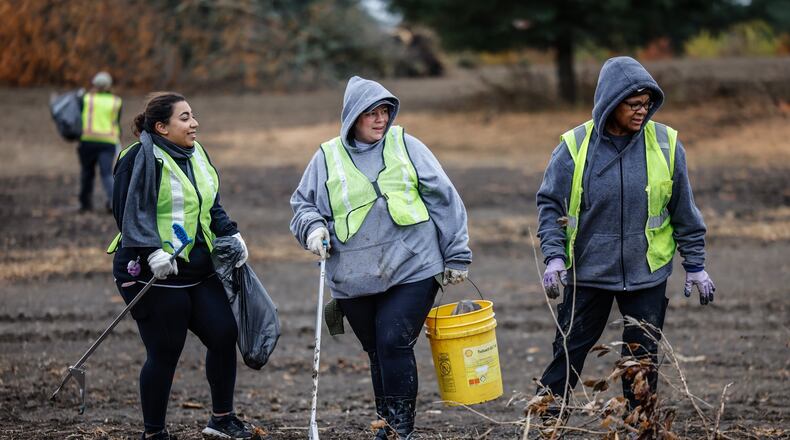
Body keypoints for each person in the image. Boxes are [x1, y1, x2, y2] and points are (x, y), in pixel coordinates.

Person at [290, 76, 472, 439]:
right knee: (377, 349)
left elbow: (444, 198)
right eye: (371, 112)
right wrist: (313, 229)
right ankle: (386, 424)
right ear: (352, 117)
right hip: (353, 276)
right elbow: (303, 206)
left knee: (393, 341)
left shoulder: (407, 145)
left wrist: (457, 254)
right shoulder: (326, 157)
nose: (380, 119)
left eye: (385, 111)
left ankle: (399, 428)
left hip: (414, 266)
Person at [535, 57, 716, 416]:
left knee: (641, 364)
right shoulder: (574, 147)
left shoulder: (666, 144)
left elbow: (684, 211)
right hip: (588, 274)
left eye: (647, 104)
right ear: (610, 103)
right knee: (567, 354)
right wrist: (554, 256)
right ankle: (547, 424)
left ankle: (641, 427)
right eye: (634, 104)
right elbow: (551, 205)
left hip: (646, 272)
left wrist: (695, 264)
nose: (642, 112)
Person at [107, 92, 257, 440]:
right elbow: (125, 212)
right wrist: (149, 251)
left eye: (193, 116)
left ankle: (221, 420)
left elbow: (210, 202)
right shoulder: (136, 158)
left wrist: (231, 234)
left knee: (223, 333)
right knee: (165, 350)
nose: (194, 124)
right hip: (150, 272)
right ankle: (154, 432)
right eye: (185, 118)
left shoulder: (197, 153)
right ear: (161, 127)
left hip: (196, 269)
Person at [78, 71, 122, 213]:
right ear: (109, 85)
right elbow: (117, 121)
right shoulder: (116, 101)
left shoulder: (86, 99)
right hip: (108, 141)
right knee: (107, 174)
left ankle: (85, 204)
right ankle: (113, 203)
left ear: (94, 84)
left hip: (88, 140)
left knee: (87, 173)